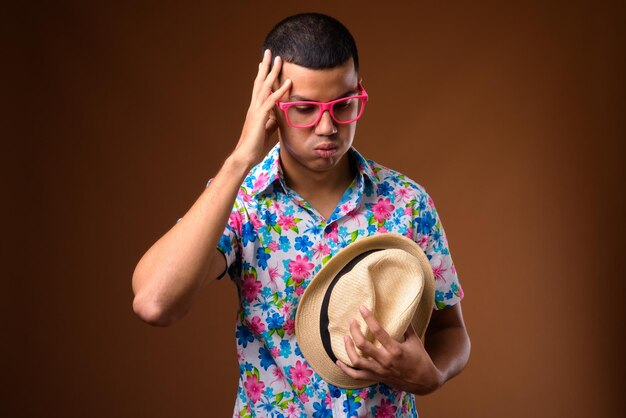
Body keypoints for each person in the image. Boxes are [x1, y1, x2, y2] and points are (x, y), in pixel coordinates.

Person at [132, 12, 470, 417]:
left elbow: (451, 330)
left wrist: (431, 375)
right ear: (270, 105)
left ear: (360, 92)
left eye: (343, 105)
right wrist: (241, 159)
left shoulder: (407, 202)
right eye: (305, 109)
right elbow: (155, 303)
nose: (327, 127)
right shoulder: (242, 203)